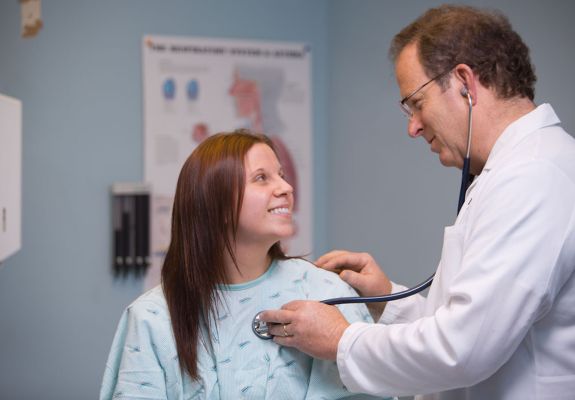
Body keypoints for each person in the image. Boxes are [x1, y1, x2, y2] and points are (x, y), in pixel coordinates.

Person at [259, 4, 575, 399]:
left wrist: (341, 339)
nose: (413, 127)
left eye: (417, 103)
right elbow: (469, 326)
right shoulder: (512, 171)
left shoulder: (534, 176)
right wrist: (386, 299)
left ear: (464, 83)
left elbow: (464, 349)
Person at [99, 130, 390, 399]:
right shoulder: (152, 318)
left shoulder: (324, 291)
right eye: (262, 178)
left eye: (281, 174)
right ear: (216, 204)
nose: (286, 188)